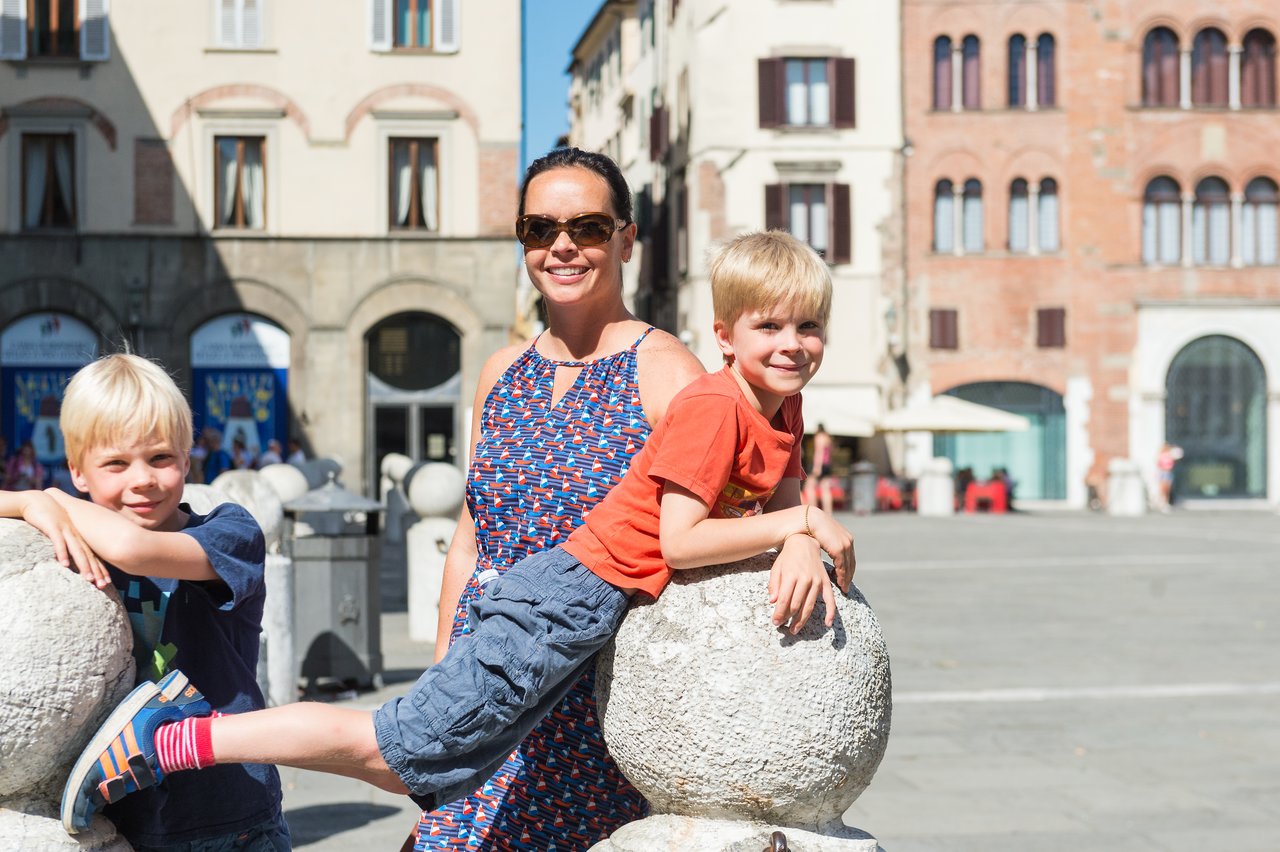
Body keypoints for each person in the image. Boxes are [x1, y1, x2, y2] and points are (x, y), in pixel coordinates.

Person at [60, 229, 855, 845]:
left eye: (810, 327)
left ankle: (185, 736)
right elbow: (681, 541)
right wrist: (800, 524)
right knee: (392, 748)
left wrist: (795, 534)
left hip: (583, 609)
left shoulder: (780, 405)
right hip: (567, 599)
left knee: (418, 765)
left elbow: (778, 499)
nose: (793, 344)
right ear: (726, 335)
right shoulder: (716, 406)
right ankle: (177, 737)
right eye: (771, 327)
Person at [0, 354, 287, 850]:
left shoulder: (229, 534)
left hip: (230, 812)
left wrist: (50, 497)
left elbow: (132, 552)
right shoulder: (77, 536)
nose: (143, 480)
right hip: (122, 815)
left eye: (160, 458)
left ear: (187, 457)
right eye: (115, 463)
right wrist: (26, 503)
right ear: (79, 470)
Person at [804, 422, 836, 514]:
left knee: (809, 487)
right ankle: (828, 512)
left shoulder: (819, 437)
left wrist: (817, 467)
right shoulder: (828, 438)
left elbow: (819, 452)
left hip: (820, 465)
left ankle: (813, 510)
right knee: (825, 489)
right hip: (827, 465)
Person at [1155, 441, 1183, 512]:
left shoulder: (1170, 455)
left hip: (1168, 472)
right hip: (1163, 473)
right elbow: (1159, 464)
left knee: (1167, 489)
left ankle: (1165, 502)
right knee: (1162, 489)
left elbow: (1176, 458)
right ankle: (1161, 502)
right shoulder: (1161, 455)